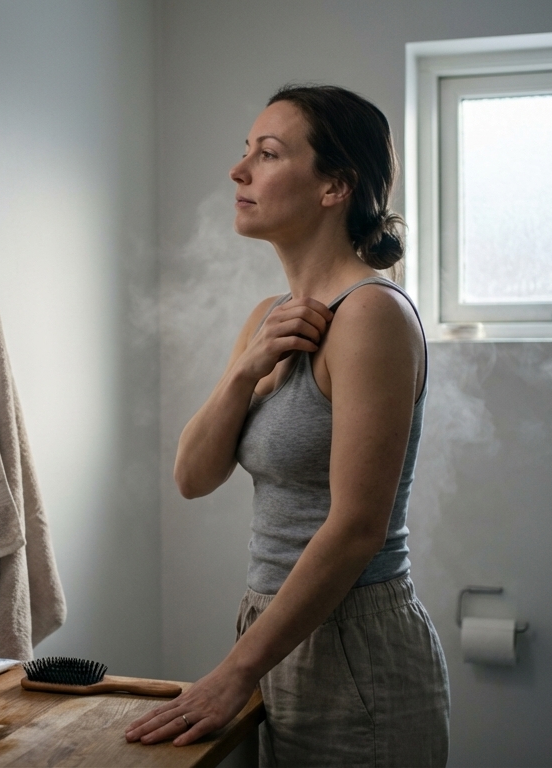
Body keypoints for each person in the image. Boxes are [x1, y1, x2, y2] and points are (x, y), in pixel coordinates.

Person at [126, 85, 449, 766]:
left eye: (267, 154)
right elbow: (193, 476)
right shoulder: (271, 315)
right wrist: (246, 369)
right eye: (245, 152)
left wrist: (236, 672)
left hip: (352, 646)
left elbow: (359, 527)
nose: (238, 171)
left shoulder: (372, 315)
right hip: (273, 627)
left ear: (335, 185)